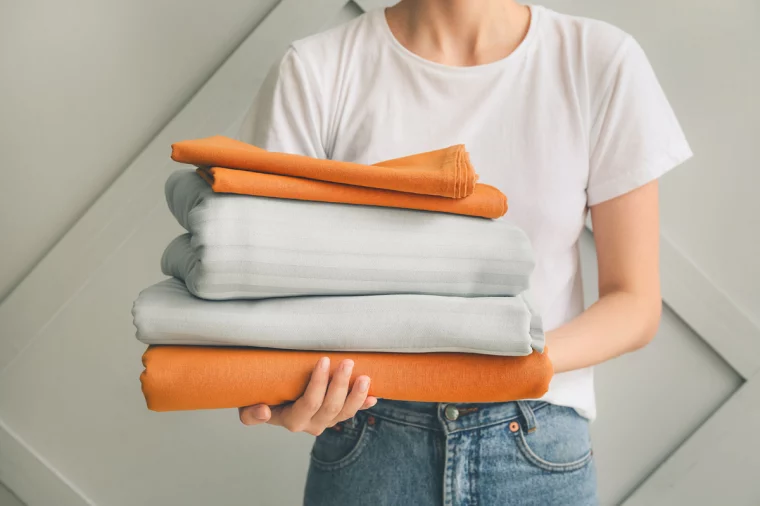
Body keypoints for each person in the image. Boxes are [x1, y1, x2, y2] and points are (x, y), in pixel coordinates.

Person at [235, 0, 692, 504]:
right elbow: (275, 295)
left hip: (536, 446)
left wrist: (515, 367)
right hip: (369, 436)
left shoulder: (598, 59)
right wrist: (293, 388)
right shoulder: (315, 70)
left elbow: (634, 303)